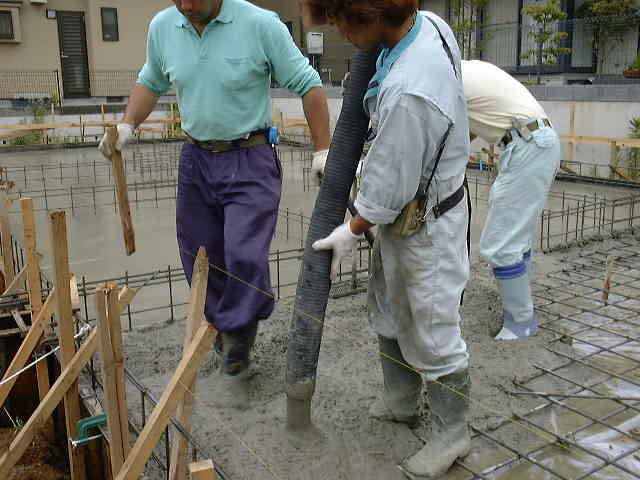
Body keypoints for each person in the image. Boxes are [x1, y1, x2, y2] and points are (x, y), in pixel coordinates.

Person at [99, 0, 331, 409]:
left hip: (250, 157)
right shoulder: (164, 26)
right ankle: (225, 331)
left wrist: (322, 150)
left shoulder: (260, 25)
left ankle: (237, 348)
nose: (187, 6)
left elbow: (309, 86)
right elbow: (150, 80)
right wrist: (127, 124)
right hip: (197, 160)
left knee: (245, 253)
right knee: (200, 257)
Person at [303, 1, 472, 477]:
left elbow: (388, 189)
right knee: (389, 306)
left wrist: (350, 230)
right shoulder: (428, 25)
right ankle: (401, 401)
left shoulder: (410, 92)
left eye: (342, 21)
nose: (338, 30)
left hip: (427, 221)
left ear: (372, 16)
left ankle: (452, 434)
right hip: (413, 208)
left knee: (433, 327)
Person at [462, 59, 561, 340]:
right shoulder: (471, 69)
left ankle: (521, 322)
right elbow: (470, 128)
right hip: (532, 142)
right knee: (515, 238)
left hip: (528, 145)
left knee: (500, 244)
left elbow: (447, 131)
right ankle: (520, 312)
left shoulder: (449, 78)